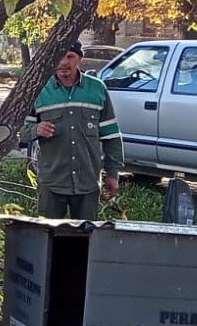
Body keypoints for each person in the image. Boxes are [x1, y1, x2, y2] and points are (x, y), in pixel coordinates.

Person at [22, 41, 124, 221]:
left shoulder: (97, 88)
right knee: (48, 234)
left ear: (80, 59)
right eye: (59, 57)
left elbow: (112, 136)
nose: (63, 62)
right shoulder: (38, 90)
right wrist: (36, 129)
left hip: (88, 181)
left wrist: (113, 174)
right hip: (52, 182)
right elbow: (21, 132)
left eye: (70, 57)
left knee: (85, 235)